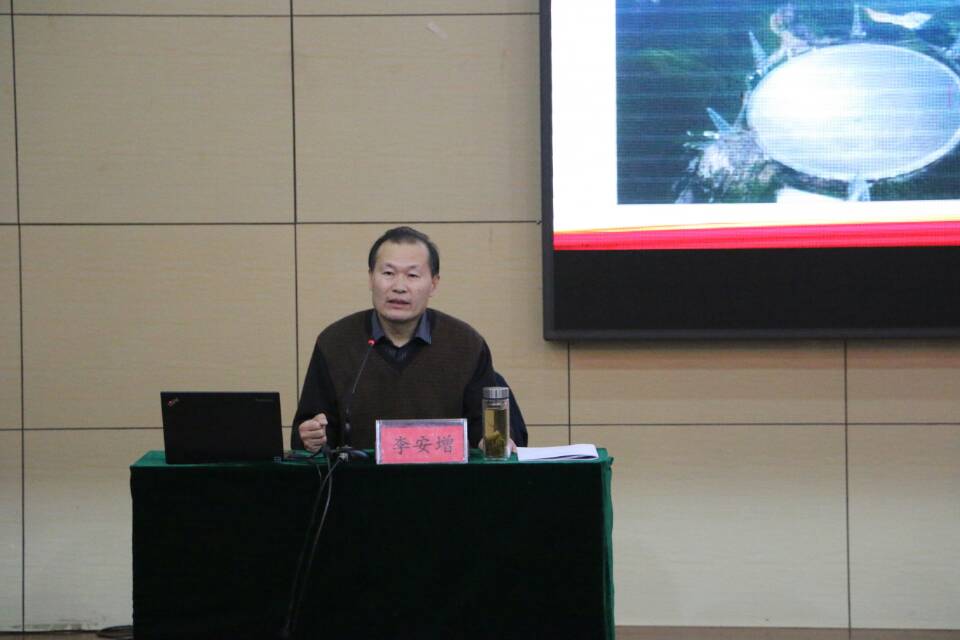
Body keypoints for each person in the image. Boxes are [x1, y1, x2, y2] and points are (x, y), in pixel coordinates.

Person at [292, 226, 499, 453]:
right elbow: (308, 431)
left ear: (433, 284)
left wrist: (489, 441)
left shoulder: (466, 345)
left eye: (412, 275)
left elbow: (487, 431)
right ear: (371, 278)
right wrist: (311, 438)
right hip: (357, 476)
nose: (399, 287)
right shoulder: (335, 343)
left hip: (443, 475)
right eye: (388, 273)